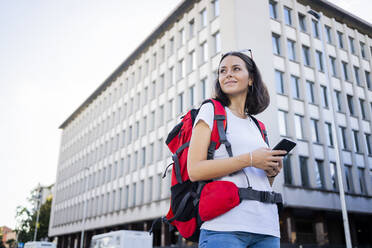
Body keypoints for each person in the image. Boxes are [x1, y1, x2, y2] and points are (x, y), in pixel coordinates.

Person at [187, 51, 287, 248]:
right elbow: (194, 170)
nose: (228, 74)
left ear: (250, 79)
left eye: (236, 69)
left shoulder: (258, 126)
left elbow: (259, 180)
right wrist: (250, 158)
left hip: (267, 229)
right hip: (225, 228)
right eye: (222, 71)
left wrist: (271, 172)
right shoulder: (212, 111)